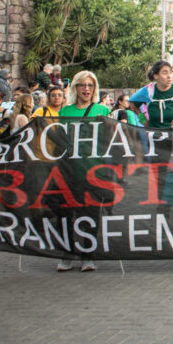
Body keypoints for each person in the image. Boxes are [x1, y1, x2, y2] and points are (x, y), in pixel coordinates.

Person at [56, 70, 110, 272]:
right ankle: (67, 253)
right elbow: (60, 141)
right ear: (75, 88)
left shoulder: (102, 111)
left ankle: (88, 255)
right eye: (82, 85)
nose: (86, 89)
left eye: (90, 85)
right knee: (66, 214)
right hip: (69, 170)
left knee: (90, 214)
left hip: (93, 170)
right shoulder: (65, 112)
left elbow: (110, 140)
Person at [129, 61, 173, 129]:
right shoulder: (149, 91)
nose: (169, 76)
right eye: (165, 73)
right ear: (155, 76)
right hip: (153, 136)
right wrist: (144, 122)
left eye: (170, 72)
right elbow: (132, 104)